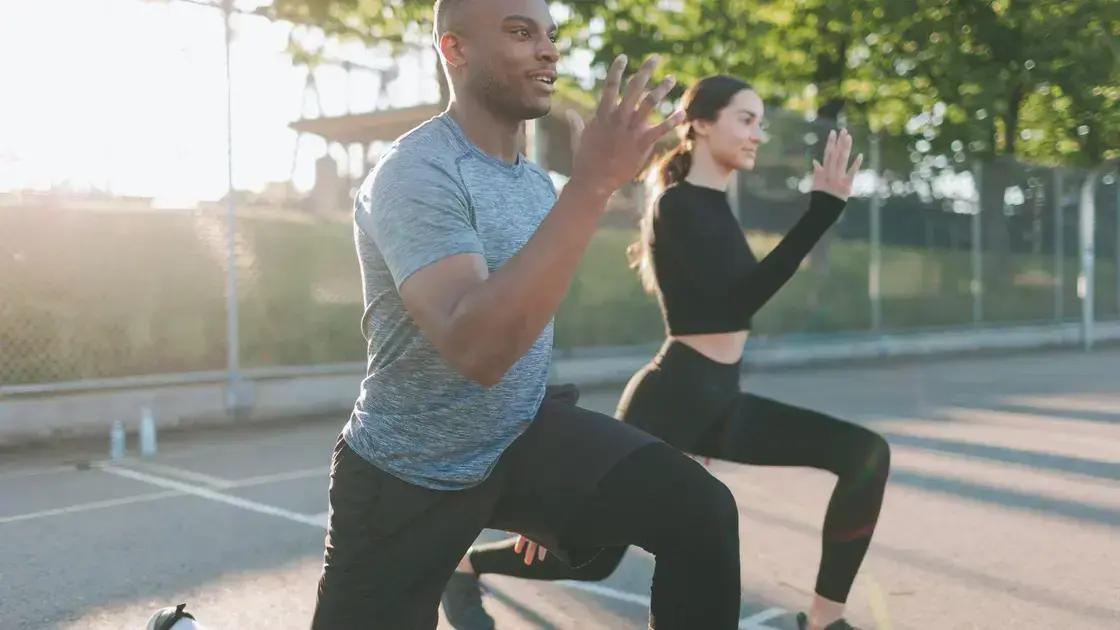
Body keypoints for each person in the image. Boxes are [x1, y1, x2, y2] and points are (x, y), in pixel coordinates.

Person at [311, 1, 748, 628]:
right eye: (521, 33)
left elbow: (528, 323)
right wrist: (591, 186)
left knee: (701, 512)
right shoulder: (415, 174)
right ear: (455, 51)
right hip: (408, 475)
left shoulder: (535, 185)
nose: (548, 50)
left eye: (551, 35)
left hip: (517, 442)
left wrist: (553, 489)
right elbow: (478, 350)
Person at [443, 75, 891, 630]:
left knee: (864, 456)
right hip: (673, 397)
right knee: (595, 555)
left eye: (760, 122)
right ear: (701, 123)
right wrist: (821, 211)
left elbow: (738, 305)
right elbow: (737, 303)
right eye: (745, 119)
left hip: (721, 399)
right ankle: (463, 564)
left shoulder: (717, 206)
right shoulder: (677, 206)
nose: (757, 134)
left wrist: (821, 212)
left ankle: (825, 620)